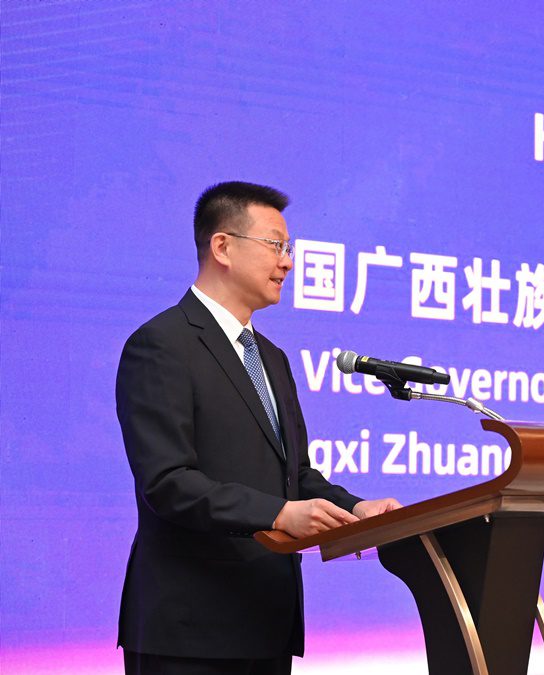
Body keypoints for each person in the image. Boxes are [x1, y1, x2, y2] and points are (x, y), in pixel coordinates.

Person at [116, 181, 399, 674]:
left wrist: (357, 509)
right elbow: (167, 482)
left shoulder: (272, 358)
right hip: (190, 631)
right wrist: (279, 514)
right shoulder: (161, 345)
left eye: (289, 249)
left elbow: (296, 477)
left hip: (266, 620)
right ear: (222, 246)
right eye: (275, 245)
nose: (287, 263)